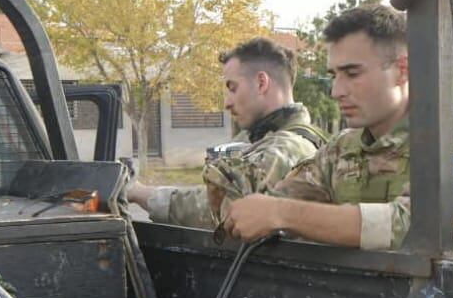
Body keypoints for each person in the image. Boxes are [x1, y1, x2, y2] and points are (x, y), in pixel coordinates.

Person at [223, 4, 453, 298]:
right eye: (334, 75)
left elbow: (420, 230)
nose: (336, 90)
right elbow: (275, 201)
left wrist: (281, 215)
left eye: (352, 73)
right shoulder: (342, 149)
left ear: (402, 71)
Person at [124, 36, 326, 228]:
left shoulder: (287, 149)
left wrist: (138, 192)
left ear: (261, 83)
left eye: (233, 88)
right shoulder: (259, 138)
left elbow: (221, 211)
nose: (227, 103)